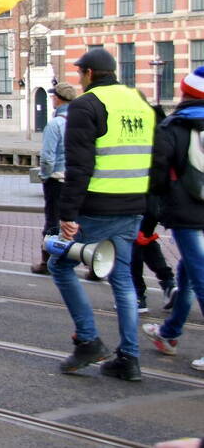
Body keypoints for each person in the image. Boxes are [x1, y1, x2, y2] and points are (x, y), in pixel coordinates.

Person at [51, 47, 156, 382]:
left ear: (90, 74)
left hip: (97, 207)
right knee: (122, 279)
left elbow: (79, 166)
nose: (79, 80)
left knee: (60, 264)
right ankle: (130, 358)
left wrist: (66, 214)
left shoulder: (86, 105)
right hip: (132, 204)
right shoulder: (140, 101)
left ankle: (88, 340)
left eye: (80, 74)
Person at [142, 65, 204, 373]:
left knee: (200, 275)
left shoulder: (172, 127)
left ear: (185, 92)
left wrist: (151, 216)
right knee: (188, 273)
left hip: (186, 214)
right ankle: (170, 333)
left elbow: (157, 177)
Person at [32, 83, 77, 274]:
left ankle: (47, 261)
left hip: (57, 179)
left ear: (57, 99)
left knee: (52, 221)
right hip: (76, 179)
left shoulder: (55, 124)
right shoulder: (80, 122)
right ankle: (89, 261)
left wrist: (44, 176)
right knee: (75, 221)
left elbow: (48, 156)